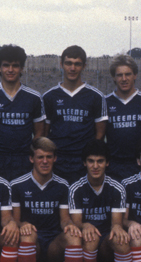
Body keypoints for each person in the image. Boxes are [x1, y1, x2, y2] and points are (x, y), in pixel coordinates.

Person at [10, 137, 84, 262]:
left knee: (74, 237)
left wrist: (69, 226)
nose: (45, 161)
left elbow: (65, 219)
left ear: (55, 159)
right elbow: (15, 221)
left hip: (53, 244)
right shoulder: (18, 185)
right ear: (31, 159)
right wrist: (22, 225)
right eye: (40, 157)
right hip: (31, 242)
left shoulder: (62, 185)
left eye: (49, 157)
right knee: (28, 234)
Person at [68, 140, 131, 262]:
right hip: (88, 240)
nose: (95, 166)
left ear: (107, 163)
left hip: (106, 240)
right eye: (91, 161)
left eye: (100, 161)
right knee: (90, 237)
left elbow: (116, 223)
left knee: (122, 239)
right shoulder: (76, 188)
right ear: (84, 163)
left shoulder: (117, 188)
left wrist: (118, 228)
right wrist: (85, 225)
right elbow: (76, 221)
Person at [0, 45, 45, 181]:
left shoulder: (34, 97)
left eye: (15, 66)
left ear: (22, 68)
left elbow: (39, 133)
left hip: (24, 160)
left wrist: (31, 156)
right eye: (6, 65)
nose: (10, 70)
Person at [43, 45, 107, 183]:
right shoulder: (49, 96)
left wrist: (89, 158)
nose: (72, 68)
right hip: (58, 162)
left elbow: (100, 134)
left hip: (83, 164)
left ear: (84, 66)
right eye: (68, 63)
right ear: (61, 64)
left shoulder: (96, 96)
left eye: (77, 64)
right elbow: (45, 134)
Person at [104, 54, 141, 181]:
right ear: (114, 77)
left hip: (140, 167)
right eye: (119, 75)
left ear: (135, 75)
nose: (124, 79)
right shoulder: (105, 103)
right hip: (113, 167)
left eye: (128, 74)